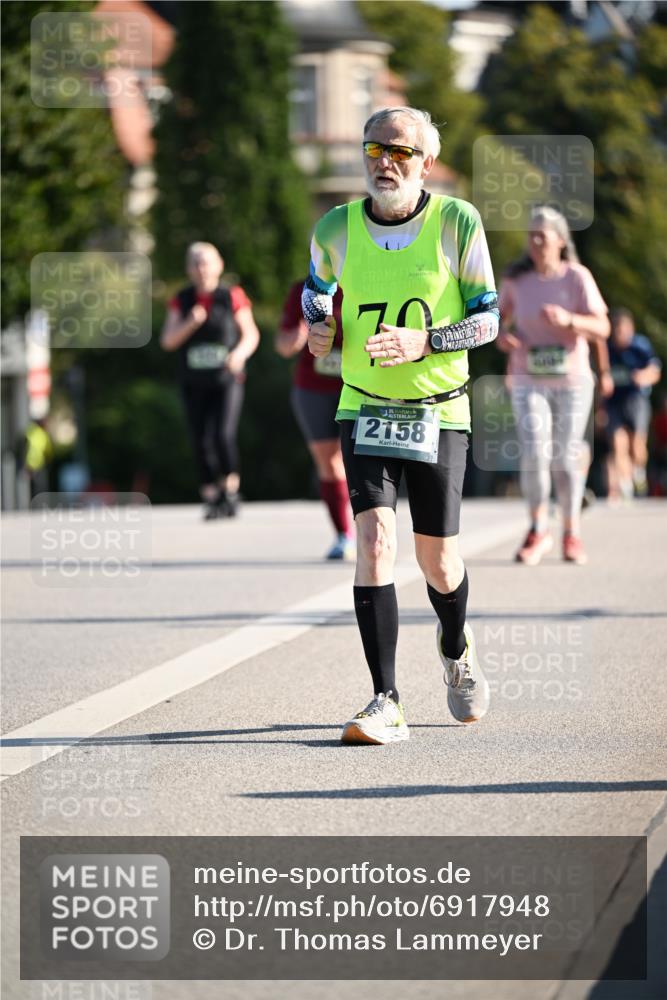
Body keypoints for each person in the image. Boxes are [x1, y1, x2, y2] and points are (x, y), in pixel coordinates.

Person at [304, 106, 499, 745]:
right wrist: (319, 323)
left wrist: (426, 341)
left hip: (438, 408)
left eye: (400, 152)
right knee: (375, 544)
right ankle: (385, 699)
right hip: (364, 405)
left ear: (427, 163)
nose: (384, 162)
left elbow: (488, 319)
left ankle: (456, 644)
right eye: (374, 149)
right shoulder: (336, 226)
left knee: (437, 561)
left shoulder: (457, 221)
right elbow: (314, 288)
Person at [497, 207, 610, 566]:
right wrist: (503, 337)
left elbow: (603, 327)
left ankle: (571, 530)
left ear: (561, 240)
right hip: (527, 377)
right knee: (534, 451)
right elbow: (496, 320)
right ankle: (537, 528)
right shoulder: (516, 280)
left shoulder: (577, 277)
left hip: (572, 380)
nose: (534, 242)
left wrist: (570, 320)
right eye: (530, 235)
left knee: (564, 456)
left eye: (542, 236)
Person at [160, 242, 260, 519]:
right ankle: (211, 496)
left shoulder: (232, 296)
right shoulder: (182, 300)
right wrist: (190, 323)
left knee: (223, 435)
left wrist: (239, 354)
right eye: (195, 262)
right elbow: (168, 341)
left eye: (206, 261)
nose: (201, 268)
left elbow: (251, 334)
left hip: (226, 379)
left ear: (219, 265)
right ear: (188, 269)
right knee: (199, 439)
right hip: (193, 381)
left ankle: (230, 490)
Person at [276, 281, 355, 560]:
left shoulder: (363, 281)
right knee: (329, 462)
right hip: (313, 388)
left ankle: (373, 530)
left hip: (359, 388)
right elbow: (283, 345)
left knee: (363, 460)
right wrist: (295, 338)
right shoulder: (302, 290)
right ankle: (344, 535)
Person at [604, 308, 661, 499]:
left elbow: (655, 371)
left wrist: (643, 376)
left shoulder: (640, 346)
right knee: (618, 444)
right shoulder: (607, 348)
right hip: (614, 401)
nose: (621, 334)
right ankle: (625, 485)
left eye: (624, 330)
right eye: (617, 330)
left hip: (636, 399)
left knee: (637, 445)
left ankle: (638, 471)